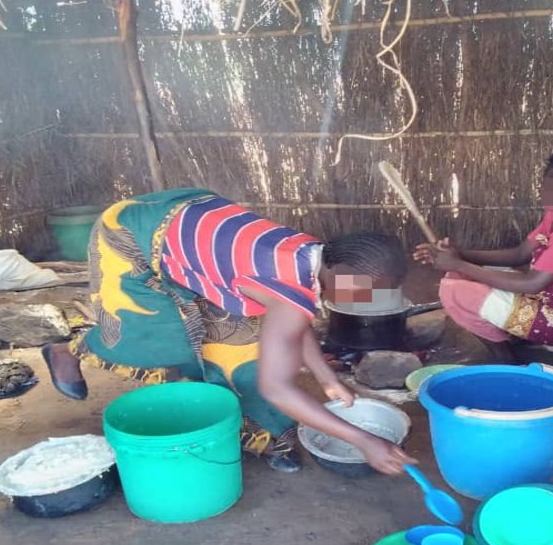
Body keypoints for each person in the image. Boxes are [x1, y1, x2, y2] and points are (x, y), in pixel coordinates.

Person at [42, 188, 417, 475]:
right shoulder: (288, 287)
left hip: (193, 227)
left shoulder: (314, 257)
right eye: (365, 289)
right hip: (132, 234)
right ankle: (67, 352)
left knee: (232, 342)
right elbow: (277, 384)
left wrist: (326, 378)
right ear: (339, 268)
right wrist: (364, 440)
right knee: (155, 337)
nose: (366, 299)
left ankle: (257, 432)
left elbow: (296, 316)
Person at [414, 151, 553, 362]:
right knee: (456, 276)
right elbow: (519, 254)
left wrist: (459, 263)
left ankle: (508, 359)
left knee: (455, 291)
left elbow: (532, 284)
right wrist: (460, 255)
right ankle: (517, 340)